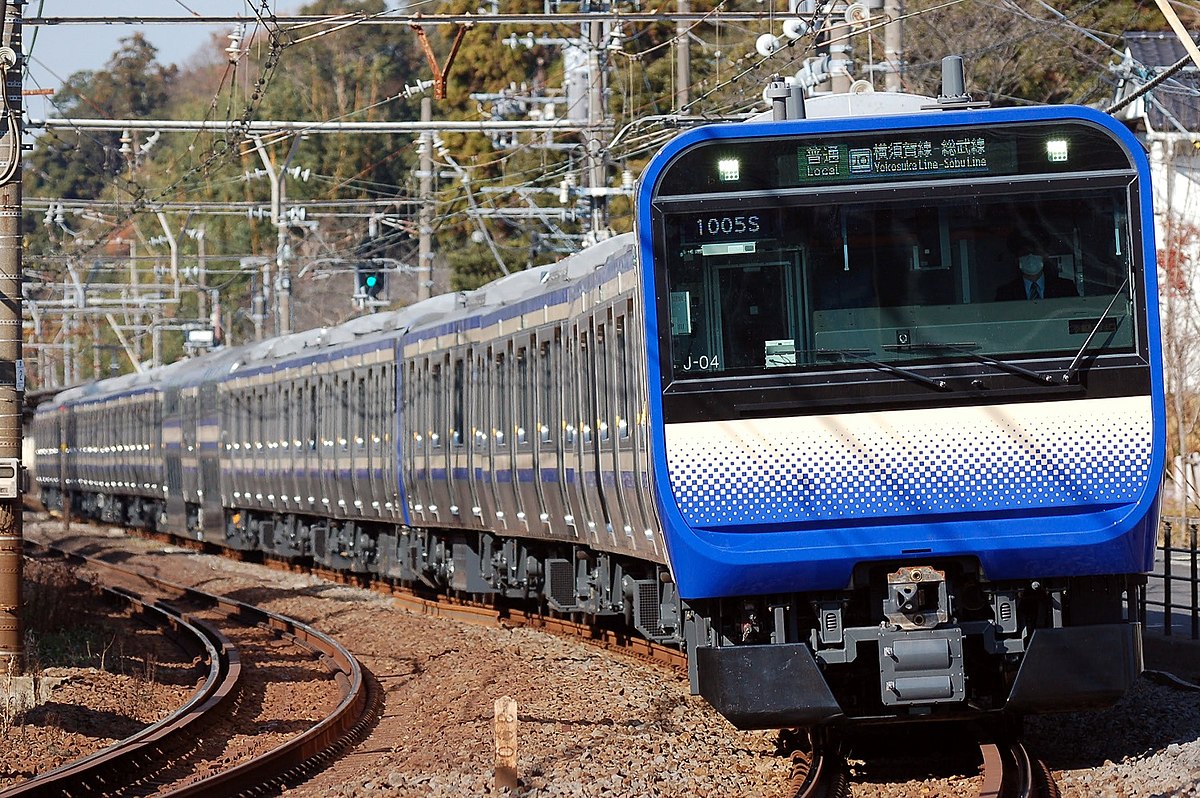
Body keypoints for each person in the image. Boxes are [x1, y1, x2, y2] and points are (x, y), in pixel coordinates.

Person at [994, 249, 1078, 301]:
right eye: (1025, 253)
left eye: (1035, 252)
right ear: (1017, 259)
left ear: (1044, 257)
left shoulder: (1066, 288)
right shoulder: (1005, 293)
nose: (1030, 257)